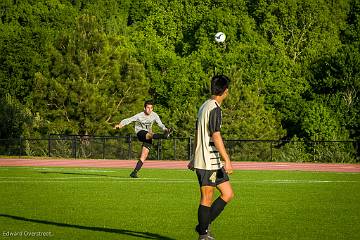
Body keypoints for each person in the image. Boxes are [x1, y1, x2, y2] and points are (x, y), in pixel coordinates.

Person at [188, 75, 234, 240]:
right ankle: (203, 234)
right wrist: (227, 158)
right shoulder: (214, 108)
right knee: (207, 198)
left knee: (227, 193)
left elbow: (196, 133)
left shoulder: (204, 106)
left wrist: (193, 156)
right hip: (208, 161)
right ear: (225, 91)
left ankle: (203, 225)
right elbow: (215, 135)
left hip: (212, 159)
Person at [114, 100, 172, 178]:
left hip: (149, 135)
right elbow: (128, 120)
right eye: (148, 107)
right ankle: (164, 136)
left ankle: (134, 172)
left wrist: (165, 129)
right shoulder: (139, 115)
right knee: (149, 134)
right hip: (140, 133)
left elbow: (160, 124)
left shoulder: (154, 115)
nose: (149, 109)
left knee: (144, 155)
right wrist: (120, 125)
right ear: (144, 108)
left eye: (151, 108)